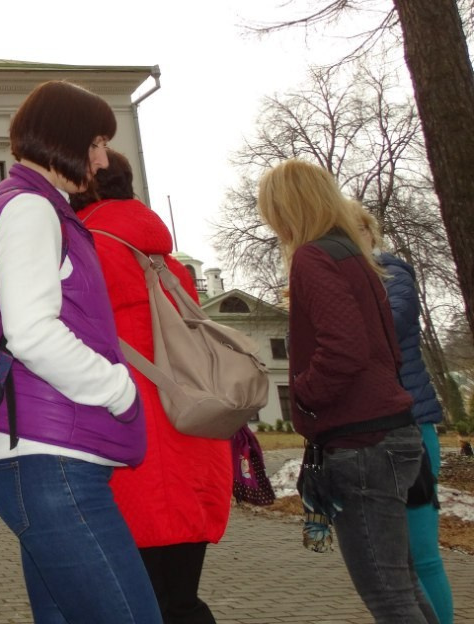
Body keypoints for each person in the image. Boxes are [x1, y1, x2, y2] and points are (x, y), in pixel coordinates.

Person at [0, 81, 159, 624]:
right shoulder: (32, 209)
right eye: (97, 142)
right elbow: (30, 331)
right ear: (65, 138)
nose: (102, 160)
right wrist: (117, 389)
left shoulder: (37, 206)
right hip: (53, 459)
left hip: (47, 456)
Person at [256, 159, 436, 624]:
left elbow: (344, 348)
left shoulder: (315, 258)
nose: (269, 221)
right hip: (392, 431)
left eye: (270, 209)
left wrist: (305, 394)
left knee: (388, 595)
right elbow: (386, 348)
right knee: (402, 583)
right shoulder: (353, 254)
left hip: (361, 443)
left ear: (286, 207)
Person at [72, 150, 232, 624]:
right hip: (190, 428)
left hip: (129, 438)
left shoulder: (85, 245)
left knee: (137, 603)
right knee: (181, 600)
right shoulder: (163, 254)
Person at [351, 202, 452, 624]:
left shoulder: (392, 274)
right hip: (371, 431)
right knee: (394, 562)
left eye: (354, 230)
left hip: (411, 426)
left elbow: (388, 328)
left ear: (369, 232)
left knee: (422, 554)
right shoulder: (345, 281)